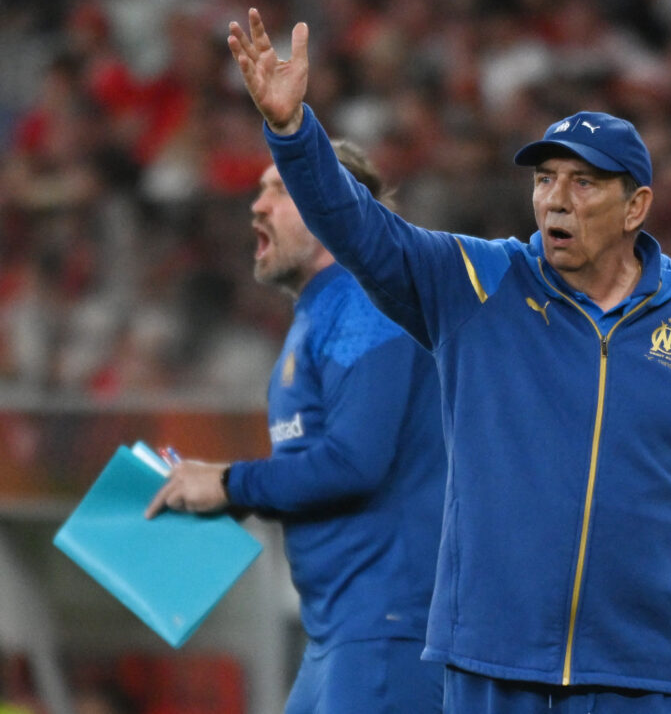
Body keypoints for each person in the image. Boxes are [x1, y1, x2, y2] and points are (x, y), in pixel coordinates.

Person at [228, 8, 671, 714]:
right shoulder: (476, 285)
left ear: (636, 205)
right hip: (493, 665)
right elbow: (360, 230)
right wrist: (291, 132)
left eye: (584, 183)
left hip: (651, 676)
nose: (556, 200)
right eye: (545, 179)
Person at [144, 137, 446, 714]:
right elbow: (324, 467)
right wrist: (228, 495)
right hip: (341, 632)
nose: (257, 206)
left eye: (280, 190)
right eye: (261, 190)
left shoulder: (366, 303)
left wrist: (231, 484)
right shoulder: (320, 314)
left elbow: (356, 463)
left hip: (387, 629)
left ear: (336, 205)